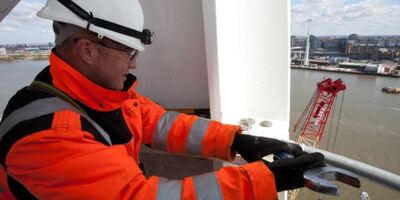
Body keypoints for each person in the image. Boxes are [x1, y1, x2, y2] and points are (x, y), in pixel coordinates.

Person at [0, 0, 324, 199]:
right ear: (87, 50)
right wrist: (267, 179)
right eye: (128, 52)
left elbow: (157, 123)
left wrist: (237, 141)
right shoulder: (49, 135)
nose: (134, 63)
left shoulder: (95, 92)